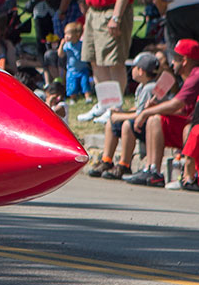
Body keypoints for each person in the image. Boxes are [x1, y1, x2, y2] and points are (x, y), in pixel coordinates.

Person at [121, 37, 199, 186]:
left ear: (184, 60)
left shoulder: (196, 75)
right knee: (155, 118)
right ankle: (151, 169)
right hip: (189, 123)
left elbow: (176, 104)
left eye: (175, 59)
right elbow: (183, 110)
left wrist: (146, 112)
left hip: (192, 127)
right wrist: (156, 108)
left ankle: (156, 172)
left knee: (155, 118)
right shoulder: (189, 76)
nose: (172, 63)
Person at [89, 51, 163, 179]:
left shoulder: (149, 88)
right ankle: (107, 160)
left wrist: (120, 117)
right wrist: (121, 112)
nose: (132, 70)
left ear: (141, 71)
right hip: (141, 121)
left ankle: (124, 164)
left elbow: (141, 114)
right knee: (111, 122)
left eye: (134, 67)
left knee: (127, 125)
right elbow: (138, 108)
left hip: (147, 125)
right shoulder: (141, 86)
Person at [60, 20, 95, 102]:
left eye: (68, 34)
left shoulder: (81, 44)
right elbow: (60, 55)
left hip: (83, 69)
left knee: (85, 83)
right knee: (72, 85)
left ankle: (88, 97)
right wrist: (61, 45)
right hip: (71, 70)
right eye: (65, 34)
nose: (66, 36)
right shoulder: (67, 46)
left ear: (77, 35)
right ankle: (73, 98)